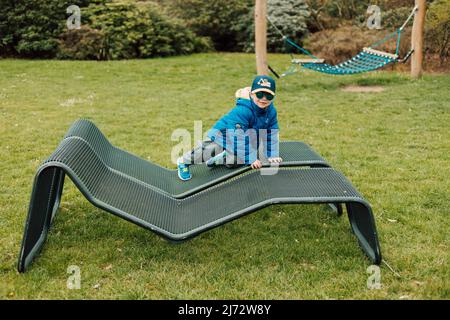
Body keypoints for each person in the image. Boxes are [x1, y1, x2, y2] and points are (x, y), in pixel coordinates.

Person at [177, 75, 283, 181]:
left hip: (243, 139)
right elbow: (238, 137)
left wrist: (272, 154)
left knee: (236, 161)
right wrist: (251, 158)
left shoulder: (271, 112)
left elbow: (271, 134)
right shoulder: (242, 110)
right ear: (251, 94)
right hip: (222, 135)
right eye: (259, 94)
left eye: (268, 96)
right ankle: (183, 162)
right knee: (205, 153)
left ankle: (220, 159)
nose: (263, 99)